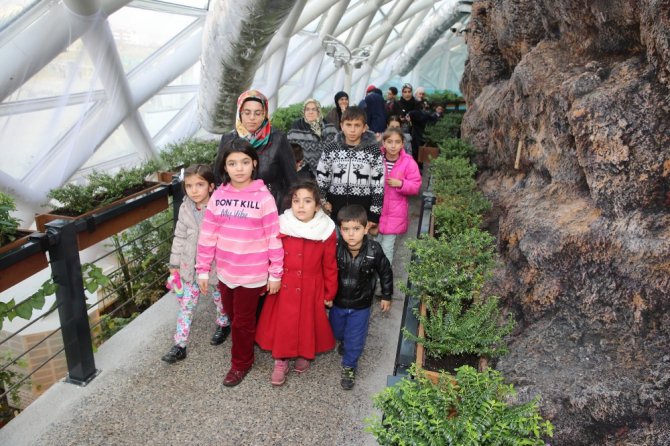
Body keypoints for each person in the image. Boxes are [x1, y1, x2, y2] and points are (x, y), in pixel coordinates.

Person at [197, 138, 284, 388]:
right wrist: (203, 270)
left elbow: (273, 237)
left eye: (245, 162)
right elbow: (208, 235)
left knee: (242, 322)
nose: (239, 168)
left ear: (254, 164)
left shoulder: (263, 197)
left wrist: (275, 274)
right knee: (234, 316)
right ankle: (248, 341)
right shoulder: (219, 196)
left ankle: (241, 363)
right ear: (224, 167)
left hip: (253, 274)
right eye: (232, 163)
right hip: (225, 273)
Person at [255, 180, 338, 386]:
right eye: (296, 200)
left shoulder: (325, 229)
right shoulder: (282, 223)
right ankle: (280, 361)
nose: (301, 206)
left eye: (307, 201)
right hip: (284, 284)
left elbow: (329, 264)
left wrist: (329, 293)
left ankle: (304, 352)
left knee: (307, 321)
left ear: (317, 206)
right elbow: (270, 254)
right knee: (284, 324)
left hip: (312, 285)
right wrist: (264, 279)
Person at [162, 164, 231, 364]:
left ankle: (223, 324)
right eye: (189, 185)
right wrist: (174, 263)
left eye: (199, 185)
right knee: (186, 306)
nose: (194, 190)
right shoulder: (185, 207)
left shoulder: (221, 206)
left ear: (211, 186)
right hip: (189, 267)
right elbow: (180, 236)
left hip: (216, 266)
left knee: (220, 298)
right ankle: (179, 345)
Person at [330, 205, 393, 390]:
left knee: (355, 338)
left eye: (356, 229)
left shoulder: (375, 250)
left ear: (366, 229)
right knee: (337, 331)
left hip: (361, 305)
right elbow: (326, 272)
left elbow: (386, 273)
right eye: (346, 229)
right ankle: (343, 340)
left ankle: (349, 365)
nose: (351, 234)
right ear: (340, 230)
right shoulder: (335, 249)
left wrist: (386, 295)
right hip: (338, 302)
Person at [214, 89, 297, 208]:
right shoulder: (228, 139)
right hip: (236, 206)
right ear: (240, 113)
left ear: (265, 114)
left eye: (258, 113)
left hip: (271, 207)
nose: (252, 118)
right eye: (247, 113)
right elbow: (218, 176)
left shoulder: (278, 139)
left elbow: (292, 180)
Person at [315, 106, 385, 232]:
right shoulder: (331, 148)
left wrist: (374, 214)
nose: (352, 130)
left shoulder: (374, 151)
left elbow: (378, 184)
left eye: (357, 125)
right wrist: (323, 201)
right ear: (341, 126)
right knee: (335, 246)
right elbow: (322, 178)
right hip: (334, 211)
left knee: (358, 247)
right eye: (348, 124)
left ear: (364, 128)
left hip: (361, 212)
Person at [377, 128, 422, 263]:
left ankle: (385, 277)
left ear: (402, 144)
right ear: (383, 143)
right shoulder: (376, 158)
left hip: (395, 214)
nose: (393, 145)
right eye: (389, 141)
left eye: (397, 142)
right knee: (375, 245)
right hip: (376, 211)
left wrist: (401, 184)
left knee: (387, 247)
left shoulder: (408, 162)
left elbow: (415, 186)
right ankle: (373, 273)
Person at [287, 98, 337, 178]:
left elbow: (335, 151)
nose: (310, 112)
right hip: (302, 173)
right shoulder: (296, 127)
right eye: (307, 109)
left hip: (326, 173)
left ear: (318, 111)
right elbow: (289, 150)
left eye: (314, 109)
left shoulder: (330, 128)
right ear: (304, 111)